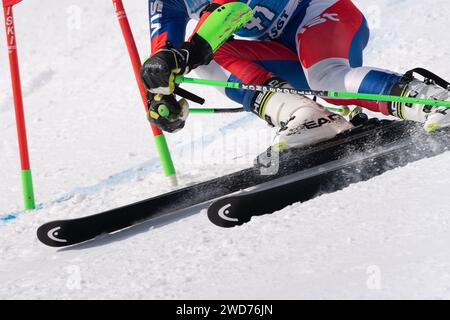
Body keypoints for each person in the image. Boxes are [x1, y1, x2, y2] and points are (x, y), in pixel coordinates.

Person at [141, 0, 450, 149]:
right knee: (204, 58)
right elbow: (162, 56)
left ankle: (435, 100)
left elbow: (232, 10)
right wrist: (160, 94)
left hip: (325, 16)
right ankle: (306, 116)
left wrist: (183, 55)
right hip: (283, 49)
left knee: (326, 78)